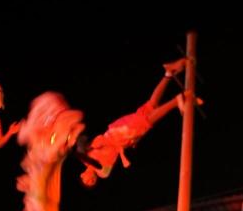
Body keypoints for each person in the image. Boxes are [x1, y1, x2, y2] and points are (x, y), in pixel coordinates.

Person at [75, 59, 191, 187]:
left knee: (147, 121)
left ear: (82, 175)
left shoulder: (84, 156)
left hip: (118, 133)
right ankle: (169, 73)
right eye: (92, 183)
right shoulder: (102, 173)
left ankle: (177, 100)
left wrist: (84, 152)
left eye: (88, 181)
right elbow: (104, 167)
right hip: (123, 140)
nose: (92, 181)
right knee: (150, 107)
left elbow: (87, 141)